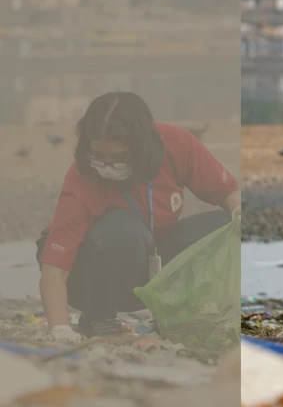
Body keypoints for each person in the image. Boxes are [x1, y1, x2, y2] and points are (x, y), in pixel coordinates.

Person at [37, 92, 241, 342]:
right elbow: (54, 269)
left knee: (226, 225)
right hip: (89, 276)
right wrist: (60, 328)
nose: (106, 165)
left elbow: (228, 192)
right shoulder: (84, 176)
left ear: (141, 147)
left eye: (118, 157)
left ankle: (183, 316)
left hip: (149, 265)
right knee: (124, 229)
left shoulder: (176, 144)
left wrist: (238, 212)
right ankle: (98, 318)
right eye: (99, 156)